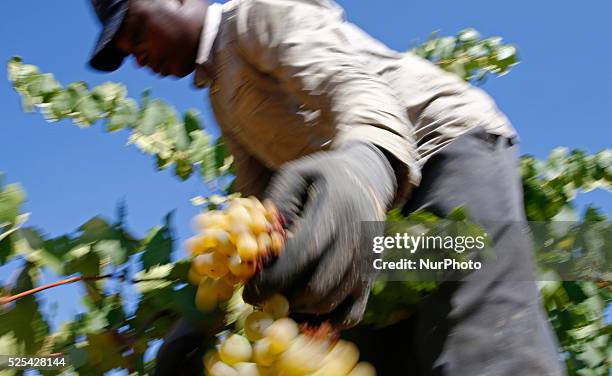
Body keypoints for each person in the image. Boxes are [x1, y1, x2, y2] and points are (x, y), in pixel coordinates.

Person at [88, 0, 566, 375]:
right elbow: (263, 207)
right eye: (128, 53)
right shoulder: (222, 97)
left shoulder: (257, 13)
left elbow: (349, 82)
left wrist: (365, 164)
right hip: (375, 207)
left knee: (480, 345)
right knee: (382, 349)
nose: (139, 55)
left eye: (135, 32)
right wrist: (203, 315)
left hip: (444, 150)